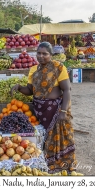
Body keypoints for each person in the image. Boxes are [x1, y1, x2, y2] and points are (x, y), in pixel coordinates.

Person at [10, 41, 77, 173]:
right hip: (41, 110)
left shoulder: (58, 68)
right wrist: (19, 87)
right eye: (39, 53)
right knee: (46, 137)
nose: (41, 56)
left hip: (56, 109)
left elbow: (67, 90)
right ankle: (48, 161)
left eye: (45, 54)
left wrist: (63, 111)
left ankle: (63, 164)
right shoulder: (33, 70)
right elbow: (30, 91)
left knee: (62, 137)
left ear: (51, 55)